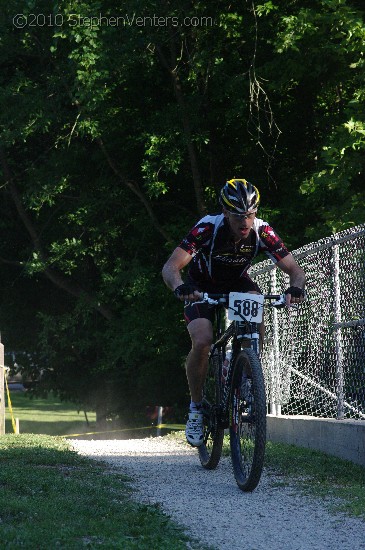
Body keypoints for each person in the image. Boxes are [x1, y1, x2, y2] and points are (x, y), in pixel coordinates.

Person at [162, 178, 305, 447]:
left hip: (238, 284)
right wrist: (181, 287)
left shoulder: (262, 232)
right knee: (203, 341)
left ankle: (248, 375)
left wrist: (294, 289)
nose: (245, 222)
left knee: (256, 307)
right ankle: (195, 408)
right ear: (225, 212)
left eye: (250, 214)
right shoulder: (207, 227)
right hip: (200, 286)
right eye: (239, 215)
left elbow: (295, 270)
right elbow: (170, 267)